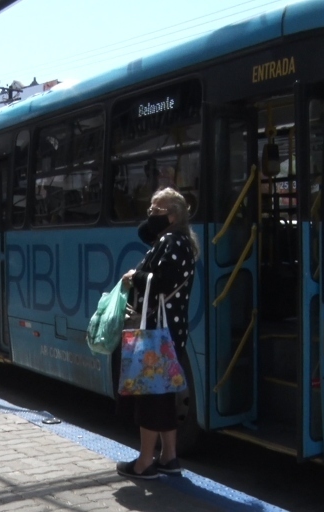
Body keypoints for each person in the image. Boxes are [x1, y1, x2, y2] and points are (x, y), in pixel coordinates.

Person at [116, 187, 199, 479]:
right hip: (168, 329)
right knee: (162, 395)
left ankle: (145, 463)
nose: (150, 215)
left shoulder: (173, 241)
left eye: (156, 211)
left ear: (173, 215)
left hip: (156, 330)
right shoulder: (178, 240)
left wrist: (133, 277)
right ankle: (169, 457)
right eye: (149, 210)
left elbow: (162, 281)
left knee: (150, 395)